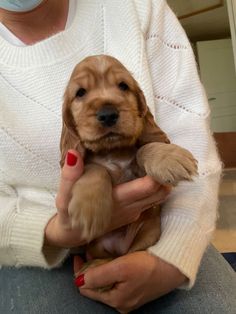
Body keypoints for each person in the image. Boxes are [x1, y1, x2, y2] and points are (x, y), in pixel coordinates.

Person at [0, 0, 235, 313]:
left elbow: (186, 144)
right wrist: (55, 231)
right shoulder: (74, 138)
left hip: (161, 228)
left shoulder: (137, 6)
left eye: (122, 86)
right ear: (68, 120)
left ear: (139, 103)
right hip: (44, 253)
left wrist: (170, 260)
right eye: (81, 94)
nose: (106, 109)